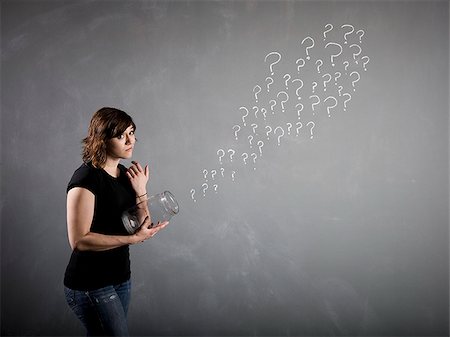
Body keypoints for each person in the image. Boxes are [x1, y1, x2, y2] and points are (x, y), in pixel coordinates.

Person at [63, 107, 168, 336]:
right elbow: (79, 241)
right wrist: (132, 239)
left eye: (132, 132)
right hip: (90, 283)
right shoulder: (86, 179)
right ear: (102, 139)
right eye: (121, 135)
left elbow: (142, 224)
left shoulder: (123, 173)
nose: (131, 140)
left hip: (120, 278)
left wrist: (141, 190)